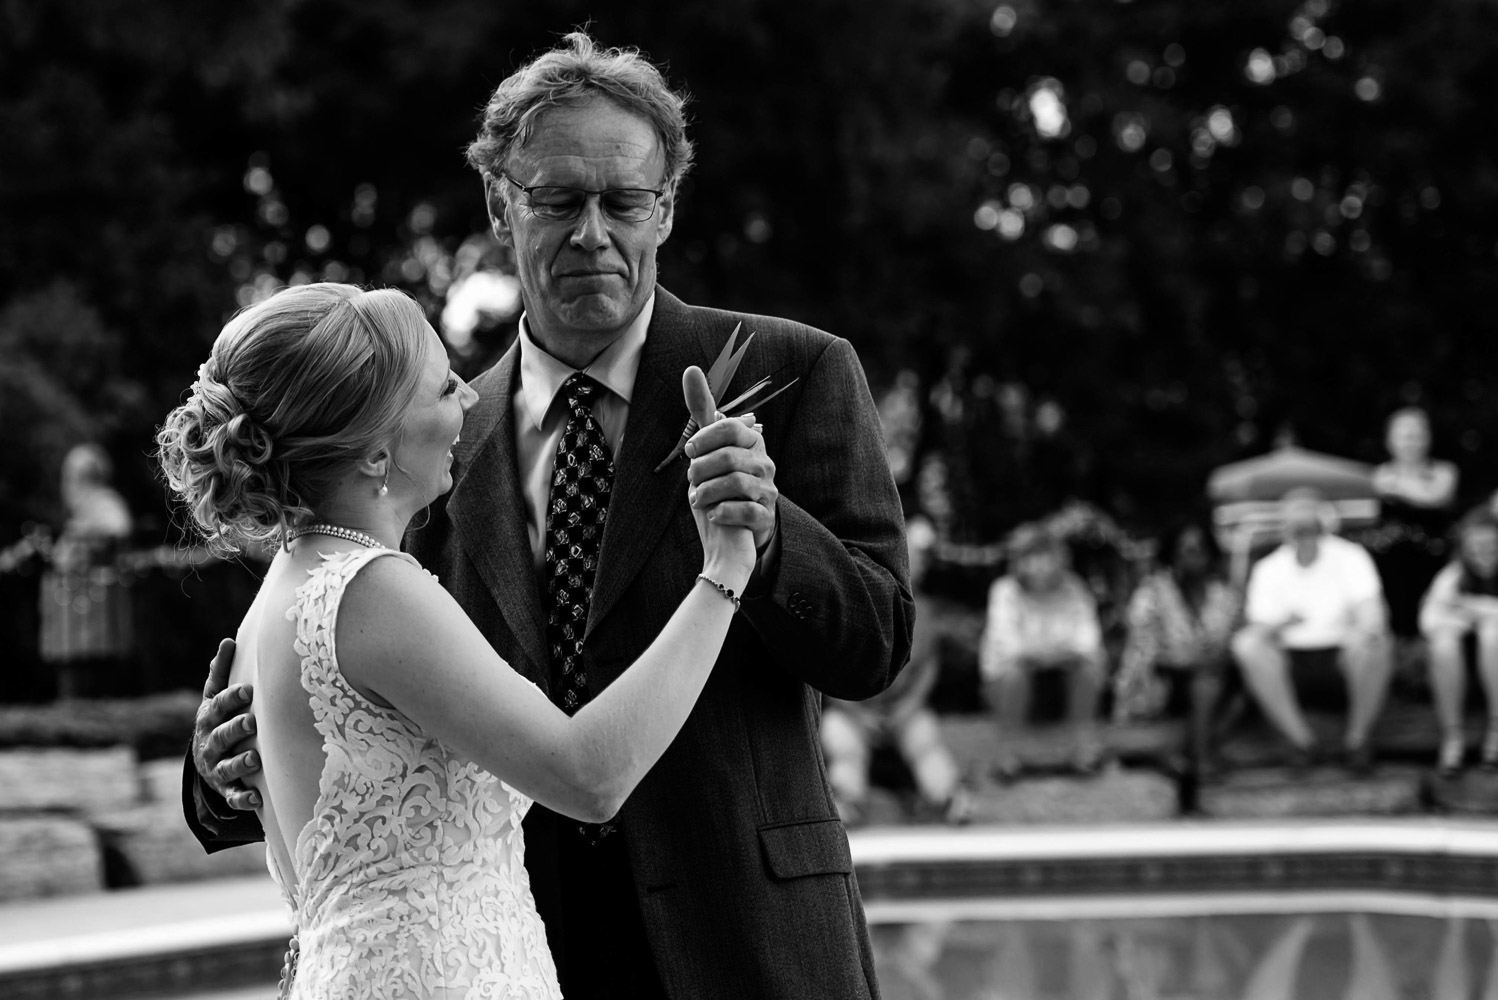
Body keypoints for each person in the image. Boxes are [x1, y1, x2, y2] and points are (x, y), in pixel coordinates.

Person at [183, 33, 912, 1000]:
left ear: (665, 208)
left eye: (624, 201)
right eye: (558, 199)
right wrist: (218, 769)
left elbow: (880, 643)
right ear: (500, 204)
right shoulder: (418, 447)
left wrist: (771, 534)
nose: (592, 232)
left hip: (754, 941)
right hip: (524, 951)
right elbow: (328, 695)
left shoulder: (799, 371)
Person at [157, 282, 758, 997]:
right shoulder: (372, 589)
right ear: (377, 455)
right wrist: (723, 569)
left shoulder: (278, 597)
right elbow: (588, 777)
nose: (470, 400)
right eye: (444, 389)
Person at [1231, 488, 1394, 771]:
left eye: (1309, 524)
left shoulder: (1350, 557)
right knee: (1247, 645)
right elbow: (1259, 626)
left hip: (1342, 659)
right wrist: (1281, 623)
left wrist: (1368, 626)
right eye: (1297, 525)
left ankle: (1357, 742)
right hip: (1291, 663)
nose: (1304, 531)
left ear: (1323, 523)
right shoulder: (1268, 569)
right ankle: (1301, 742)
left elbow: (1371, 611)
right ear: (1285, 528)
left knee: (1374, 640)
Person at [821, 515, 964, 824]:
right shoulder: (847, 601)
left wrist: (907, 708)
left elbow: (928, 670)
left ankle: (948, 798)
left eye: (921, 559)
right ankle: (847, 803)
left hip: (904, 710)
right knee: (845, 748)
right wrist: (856, 712)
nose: (919, 566)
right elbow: (826, 668)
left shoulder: (924, 611)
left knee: (925, 742)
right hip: (851, 710)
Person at [1112, 519, 1241, 776]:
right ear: (1172, 553)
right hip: (1160, 679)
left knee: (1221, 683)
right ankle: (1199, 755)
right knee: (1204, 681)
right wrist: (1189, 657)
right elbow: (1142, 647)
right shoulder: (1152, 593)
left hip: (1210, 674)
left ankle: (1196, 751)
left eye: (1199, 550)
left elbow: (1226, 639)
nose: (1193, 558)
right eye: (1185, 550)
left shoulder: (1222, 595)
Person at [979, 522, 1107, 777]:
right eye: (1031, 556)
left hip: (1063, 679)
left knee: (1087, 671)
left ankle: (1081, 750)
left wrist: (1046, 654)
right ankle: (1008, 754)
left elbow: (1089, 643)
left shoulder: (1074, 590)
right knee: (1016, 672)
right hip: (1011, 683)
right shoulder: (1005, 592)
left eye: (1046, 554)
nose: (1040, 564)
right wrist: (1054, 652)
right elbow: (1009, 647)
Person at [39, 443, 135, 698]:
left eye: (71, 477)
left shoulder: (103, 503)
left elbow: (118, 527)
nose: (66, 486)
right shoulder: (82, 512)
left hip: (96, 628)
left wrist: (85, 536)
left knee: (95, 692)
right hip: (73, 630)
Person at [1370, 406, 1458, 648]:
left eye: (1417, 435)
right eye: (1404, 436)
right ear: (1389, 440)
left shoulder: (1444, 472)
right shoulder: (1379, 475)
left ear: (1428, 438)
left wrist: (1395, 484)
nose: (1411, 442)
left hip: (1434, 562)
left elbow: (1436, 497)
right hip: (1390, 567)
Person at [1419, 506, 1498, 775]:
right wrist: (1454, 623)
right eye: (1474, 546)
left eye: (1490, 546)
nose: (1482, 554)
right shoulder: (1454, 576)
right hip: (1465, 672)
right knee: (1443, 643)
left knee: (1493, 633)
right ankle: (1453, 738)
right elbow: (1428, 619)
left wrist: (1481, 610)